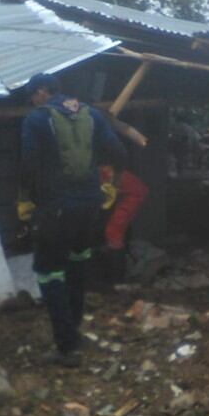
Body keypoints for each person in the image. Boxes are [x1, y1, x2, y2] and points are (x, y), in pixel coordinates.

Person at [18, 73, 126, 367]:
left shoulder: (37, 119)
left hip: (55, 207)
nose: (32, 101)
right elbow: (119, 152)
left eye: (32, 96)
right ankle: (74, 332)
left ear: (41, 92)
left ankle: (65, 347)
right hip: (90, 205)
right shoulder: (91, 114)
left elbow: (28, 166)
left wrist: (27, 198)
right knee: (78, 261)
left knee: (48, 271)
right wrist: (109, 182)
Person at [99, 165, 148, 281]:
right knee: (114, 231)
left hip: (132, 195)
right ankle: (115, 276)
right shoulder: (98, 171)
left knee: (113, 232)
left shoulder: (99, 173)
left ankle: (116, 279)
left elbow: (106, 199)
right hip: (127, 192)